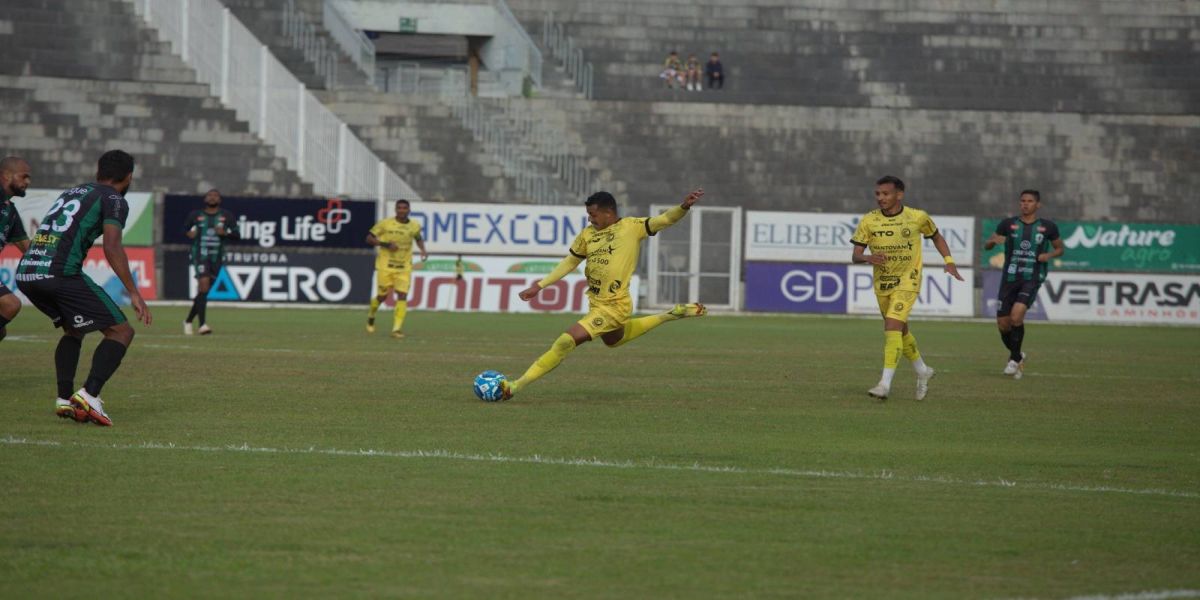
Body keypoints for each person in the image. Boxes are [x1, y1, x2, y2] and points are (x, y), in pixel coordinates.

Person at [499, 189, 708, 401]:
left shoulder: (632, 227)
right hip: (596, 302)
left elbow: (665, 219)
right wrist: (540, 285)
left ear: (609, 213)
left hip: (615, 305)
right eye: (589, 215)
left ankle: (514, 386)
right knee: (614, 341)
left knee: (565, 341)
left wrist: (683, 207)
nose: (590, 219)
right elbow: (571, 261)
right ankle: (671, 314)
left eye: (593, 214)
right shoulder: (587, 234)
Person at [16, 150, 152, 426]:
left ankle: (65, 399)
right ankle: (90, 394)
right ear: (128, 177)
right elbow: (112, 247)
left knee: (74, 329)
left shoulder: (73, 192)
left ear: (98, 171)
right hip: (59, 272)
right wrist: (134, 292)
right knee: (121, 331)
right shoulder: (113, 198)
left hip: (28, 272)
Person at [850, 175, 962, 401]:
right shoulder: (869, 220)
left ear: (899, 195)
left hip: (908, 280)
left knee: (891, 325)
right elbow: (856, 255)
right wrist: (869, 258)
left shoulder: (917, 217)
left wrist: (949, 261)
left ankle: (884, 384)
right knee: (900, 331)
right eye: (878, 194)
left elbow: (936, 237)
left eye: (886, 194)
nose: (881, 198)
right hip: (883, 283)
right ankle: (922, 370)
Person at [983, 190, 1063, 379]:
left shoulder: (1048, 227)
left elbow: (1060, 248)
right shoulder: (1008, 224)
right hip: (1009, 277)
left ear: (1038, 205)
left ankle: (1013, 360)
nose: (1025, 204)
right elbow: (988, 245)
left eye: (1030, 201)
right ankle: (1018, 355)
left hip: (1032, 277)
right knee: (1003, 324)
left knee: (1016, 317)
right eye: (1023, 201)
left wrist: (1048, 255)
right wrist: (993, 242)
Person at [366, 198, 427, 338]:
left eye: (404, 208)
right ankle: (371, 315)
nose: (402, 210)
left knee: (402, 295)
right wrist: (386, 245)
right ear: (395, 210)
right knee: (382, 296)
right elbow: (368, 238)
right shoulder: (386, 224)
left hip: (404, 267)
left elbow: (418, 237)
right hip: (385, 266)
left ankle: (396, 329)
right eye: (399, 208)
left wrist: (423, 250)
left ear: (409, 210)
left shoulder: (415, 225)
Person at [183, 189, 239, 335]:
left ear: (219, 200)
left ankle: (188, 320)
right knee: (204, 285)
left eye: (215, 196)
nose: (212, 198)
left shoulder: (226, 216)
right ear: (205, 199)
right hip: (200, 255)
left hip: (217, 257)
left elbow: (237, 234)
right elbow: (184, 229)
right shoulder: (195, 215)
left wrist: (225, 233)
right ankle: (202, 325)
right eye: (210, 195)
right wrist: (189, 233)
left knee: (204, 291)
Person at [0, 156, 32, 342]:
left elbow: (28, 249)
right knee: (10, 304)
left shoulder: (10, 211)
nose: (27, 182)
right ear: (6, 175)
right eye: (24, 176)